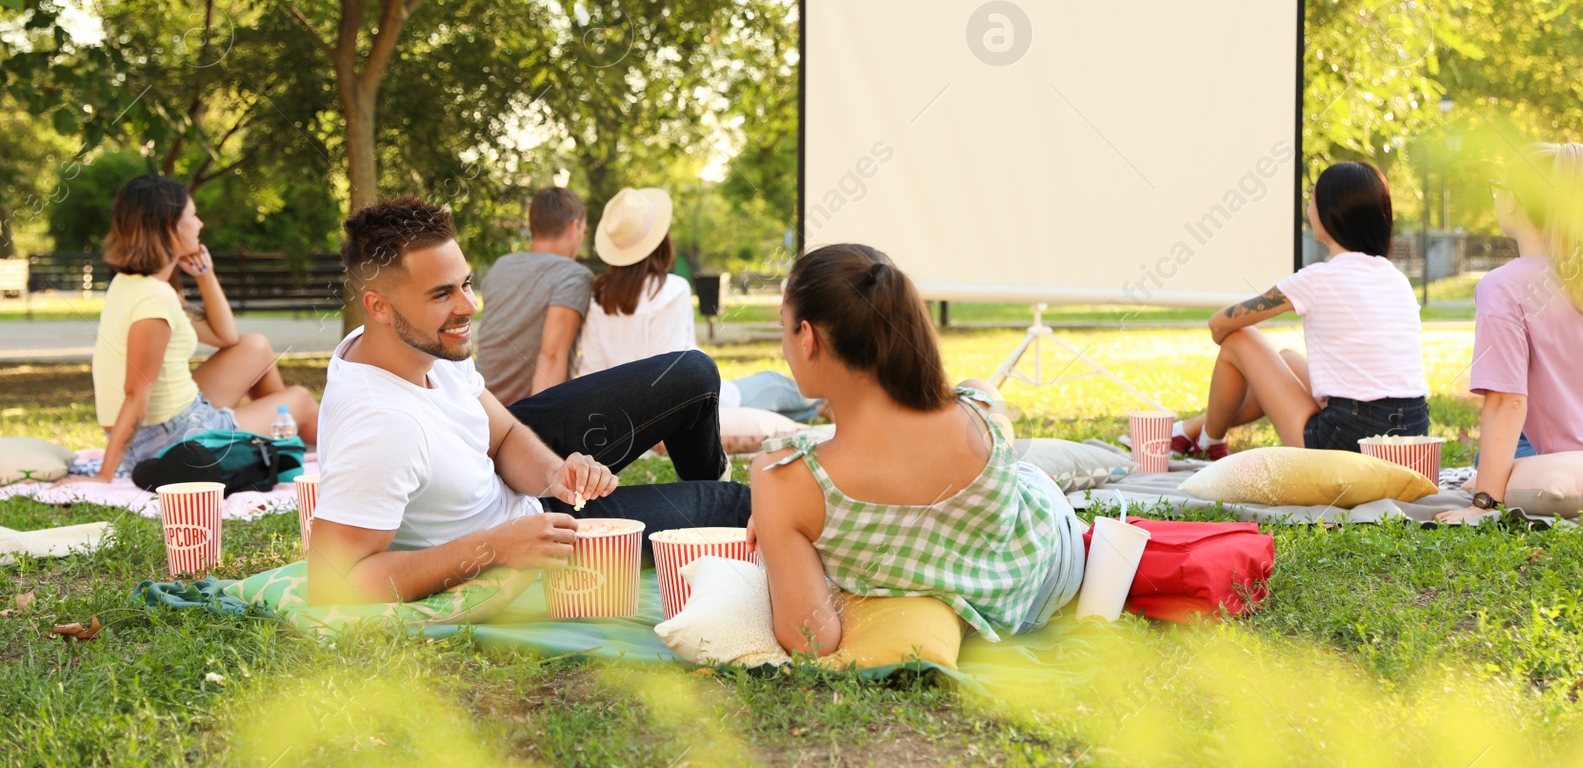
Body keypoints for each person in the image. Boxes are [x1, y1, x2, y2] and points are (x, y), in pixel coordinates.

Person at [307, 196, 750, 606]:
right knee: (736, 505)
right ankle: (712, 513)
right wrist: (496, 547)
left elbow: (502, 436)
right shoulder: (382, 426)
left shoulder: (413, 344)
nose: (469, 306)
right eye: (442, 294)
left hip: (508, 484)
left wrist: (556, 472)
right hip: (527, 534)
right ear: (378, 306)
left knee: (692, 374)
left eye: (465, 284)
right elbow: (332, 582)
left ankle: (704, 495)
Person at [748, 244, 1086, 653]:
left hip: (1028, 573)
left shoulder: (782, 478)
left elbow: (812, 639)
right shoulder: (974, 410)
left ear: (807, 338)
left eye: (783, 327)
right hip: (1054, 576)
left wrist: (774, 526)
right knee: (990, 402)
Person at [65, 175, 318, 483]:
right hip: (171, 437)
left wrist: (205, 276)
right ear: (170, 226)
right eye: (193, 216)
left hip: (169, 421)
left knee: (255, 346)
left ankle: (279, 445)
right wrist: (105, 475)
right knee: (301, 400)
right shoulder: (155, 300)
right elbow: (136, 393)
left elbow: (226, 337)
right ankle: (317, 448)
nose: (200, 224)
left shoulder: (134, 284)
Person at [1174, 161, 1427, 458]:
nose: (1309, 206)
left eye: (1312, 197)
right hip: (1412, 439)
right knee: (1288, 360)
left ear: (1330, 212)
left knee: (1239, 340)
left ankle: (1210, 442)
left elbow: (1219, 324)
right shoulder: (1397, 279)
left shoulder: (1316, 279)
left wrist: (1231, 351)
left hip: (1347, 441)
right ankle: (1190, 430)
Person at [1437, 143, 1583, 522]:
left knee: (1488, 470)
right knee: (1491, 461)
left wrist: (1483, 504)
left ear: (1512, 201)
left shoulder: (1504, 285)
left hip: (1573, 467)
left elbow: (1506, 402)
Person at [578, 187, 822, 425]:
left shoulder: (597, 298)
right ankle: (831, 403)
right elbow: (670, 373)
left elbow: (592, 371)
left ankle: (820, 408)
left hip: (629, 414)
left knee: (782, 405)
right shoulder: (671, 290)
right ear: (661, 242)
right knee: (773, 384)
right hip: (697, 404)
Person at [476, 186, 594, 405]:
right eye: (583, 230)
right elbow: (552, 356)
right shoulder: (573, 275)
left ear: (532, 226)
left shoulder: (501, 266)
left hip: (478, 403)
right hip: (517, 418)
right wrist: (537, 433)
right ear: (573, 227)